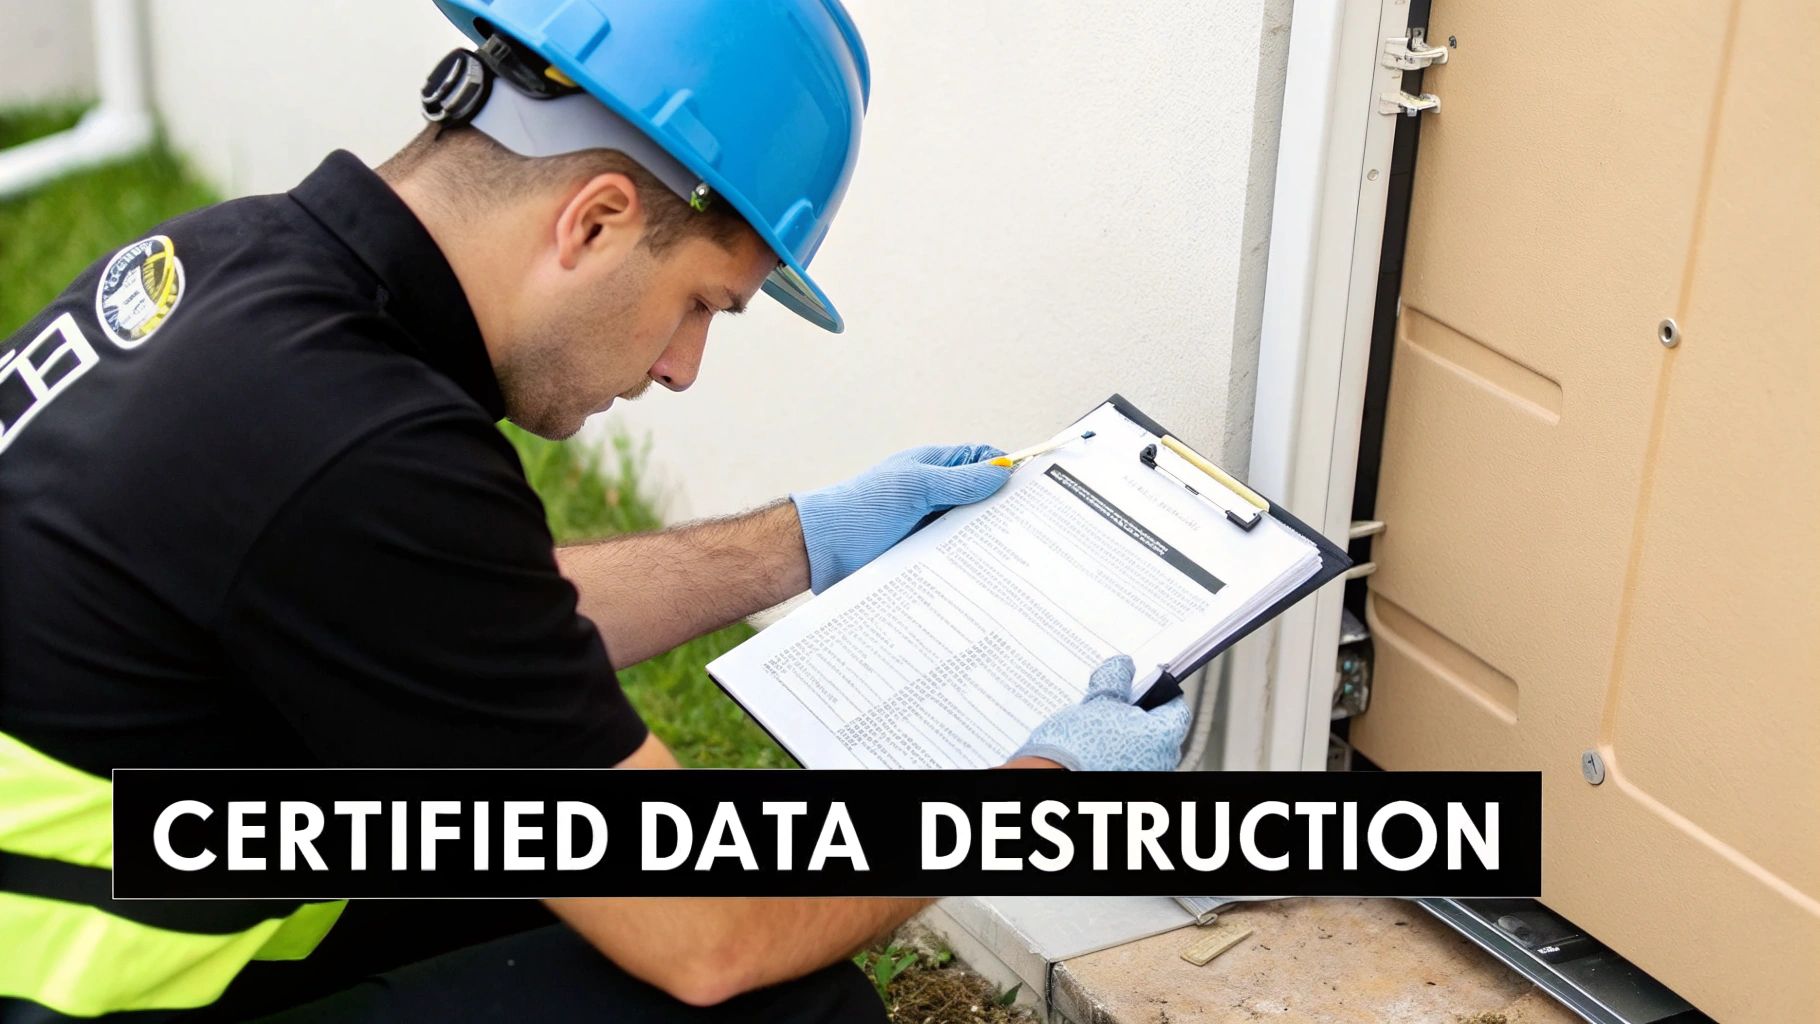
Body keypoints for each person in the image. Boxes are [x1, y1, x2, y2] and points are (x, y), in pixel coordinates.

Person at [0, 1, 1190, 1020]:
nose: (681, 367)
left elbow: (450, 616)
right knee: (776, 994)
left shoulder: (238, 269)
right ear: (597, 219)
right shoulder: (364, 448)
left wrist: (804, 540)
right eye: (701, 304)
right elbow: (710, 937)